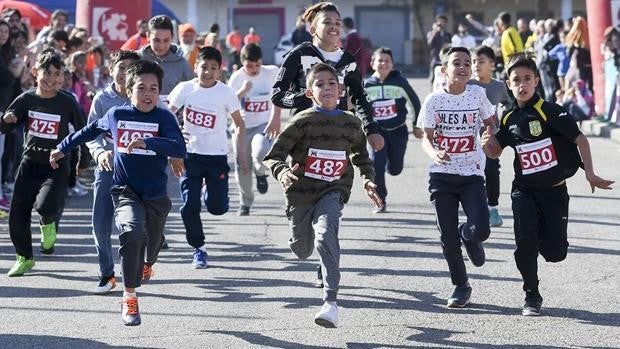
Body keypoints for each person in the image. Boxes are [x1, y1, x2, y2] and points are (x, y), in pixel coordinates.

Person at [50, 59, 186, 326]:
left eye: (153, 89)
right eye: (141, 88)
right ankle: (129, 296)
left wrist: (149, 142)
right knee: (131, 231)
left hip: (155, 194)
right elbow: (89, 131)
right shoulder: (117, 115)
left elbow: (178, 147)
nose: (147, 94)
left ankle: (149, 261)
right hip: (125, 190)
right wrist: (62, 147)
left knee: (153, 244)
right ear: (129, 90)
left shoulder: (164, 117)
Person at [481, 53, 614, 316]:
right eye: (516, 80)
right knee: (525, 242)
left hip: (554, 192)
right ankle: (531, 294)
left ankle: (541, 238)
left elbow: (581, 140)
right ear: (508, 84)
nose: (522, 85)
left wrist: (590, 173)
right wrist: (488, 145)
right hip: (524, 191)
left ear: (537, 81)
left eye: (527, 79)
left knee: (555, 253)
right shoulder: (508, 118)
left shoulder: (551, 111)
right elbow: (496, 152)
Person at [271, 1, 384, 288]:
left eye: (338, 22)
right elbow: (278, 95)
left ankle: (326, 264)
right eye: (327, 22)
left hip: (336, 137)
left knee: (330, 208)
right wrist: (310, 99)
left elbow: (359, 98)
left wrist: (370, 129)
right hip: (303, 138)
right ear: (313, 28)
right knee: (303, 224)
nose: (334, 27)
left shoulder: (348, 60)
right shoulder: (299, 55)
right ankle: (299, 222)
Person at [264, 63, 382, 328]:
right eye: (320, 84)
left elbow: (361, 157)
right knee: (302, 249)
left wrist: (368, 181)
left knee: (326, 234)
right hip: (301, 195)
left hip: (334, 190)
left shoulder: (351, 123)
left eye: (332, 84)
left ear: (340, 90)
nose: (327, 88)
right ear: (309, 92)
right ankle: (297, 239)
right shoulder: (302, 121)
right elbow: (273, 156)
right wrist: (283, 173)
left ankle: (330, 302)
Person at [419, 46, 496, 308]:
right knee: (447, 237)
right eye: (456, 63)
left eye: (467, 63)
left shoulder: (477, 95)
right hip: (441, 177)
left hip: (472, 172)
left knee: (481, 230)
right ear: (444, 70)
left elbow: (490, 121)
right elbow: (426, 139)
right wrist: (434, 153)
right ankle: (461, 286)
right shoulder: (433, 101)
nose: (463, 67)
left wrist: (488, 135)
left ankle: (469, 235)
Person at [1, 49, 85, 276]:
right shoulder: (26, 99)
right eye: (46, 73)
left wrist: (83, 160)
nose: (51, 79)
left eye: (57, 74)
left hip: (56, 164)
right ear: (35, 72)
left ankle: (48, 224)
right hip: (29, 163)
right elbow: (7, 124)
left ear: (62, 77)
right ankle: (24, 257)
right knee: (18, 213)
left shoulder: (67, 102)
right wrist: (6, 120)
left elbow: (82, 131)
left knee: (46, 205)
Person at [167, 47, 247, 268]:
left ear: (219, 71)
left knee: (217, 208)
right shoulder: (185, 89)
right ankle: (198, 248)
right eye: (203, 67)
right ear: (195, 68)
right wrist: (172, 145)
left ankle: (208, 193)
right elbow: (166, 115)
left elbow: (239, 124)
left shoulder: (226, 93)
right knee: (188, 205)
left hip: (216, 157)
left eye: (213, 68)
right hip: (189, 156)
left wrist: (241, 155)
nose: (208, 72)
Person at [85, 50, 140, 294]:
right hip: (106, 169)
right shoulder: (102, 99)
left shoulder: (142, 98)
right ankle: (107, 273)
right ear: (111, 69)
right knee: (100, 224)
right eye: (121, 67)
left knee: (134, 225)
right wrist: (99, 153)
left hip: (136, 171)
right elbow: (90, 134)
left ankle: (136, 268)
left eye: (131, 68)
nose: (125, 72)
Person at [364, 47, 422, 212]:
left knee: (395, 169)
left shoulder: (400, 82)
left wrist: (416, 125)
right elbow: (360, 109)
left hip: (398, 131)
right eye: (380, 60)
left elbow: (414, 103)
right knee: (377, 165)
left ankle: (392, 165)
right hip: (376, 132)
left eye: (387, 61)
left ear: (392, 64)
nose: (383, 63)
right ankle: (380, 200)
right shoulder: (367, 85)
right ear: (372, 63)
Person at [228, 43, 281, 216]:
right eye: (249, 66)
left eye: (257, 64)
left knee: (261, 152)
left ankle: (260, 172)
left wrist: (276, 118)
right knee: (242, 167)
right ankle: (245, 202)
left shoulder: (271, 72)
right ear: (242, 63)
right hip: (241, 127)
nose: (254, 69)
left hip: (263, 125)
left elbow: (280, 94)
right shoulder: (236, 78)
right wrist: (242, 92)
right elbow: (227, 104)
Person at [468, 46, 512, 227]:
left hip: (491, 137)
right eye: (474, 62)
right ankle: (474, 208)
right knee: (472, 174)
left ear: (492, 65)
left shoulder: (499, 86)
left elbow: (509, 105)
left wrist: (505, 115)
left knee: (492, 171)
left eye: (481, 61)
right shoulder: (468, 85)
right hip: (468, 139)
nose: (476, 65)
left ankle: (493, 208)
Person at [138, 15, 194, 97]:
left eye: (166, 40)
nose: (161, 46)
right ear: (148, 36)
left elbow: (191, 96)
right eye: (156, 40)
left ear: (172, 37)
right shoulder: (136, 60)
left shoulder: (183, 66)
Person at [427, 15, 452, 86]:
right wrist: (435, 32)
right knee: (433, 80)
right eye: (439, 21)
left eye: (443, 21)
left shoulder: (448, 35)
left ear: (445, 23)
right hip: (435, 59)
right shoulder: (431, 33)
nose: (441, 23)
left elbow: (450, 46)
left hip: (445, 60)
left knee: (445, 79)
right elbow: (430, 44)